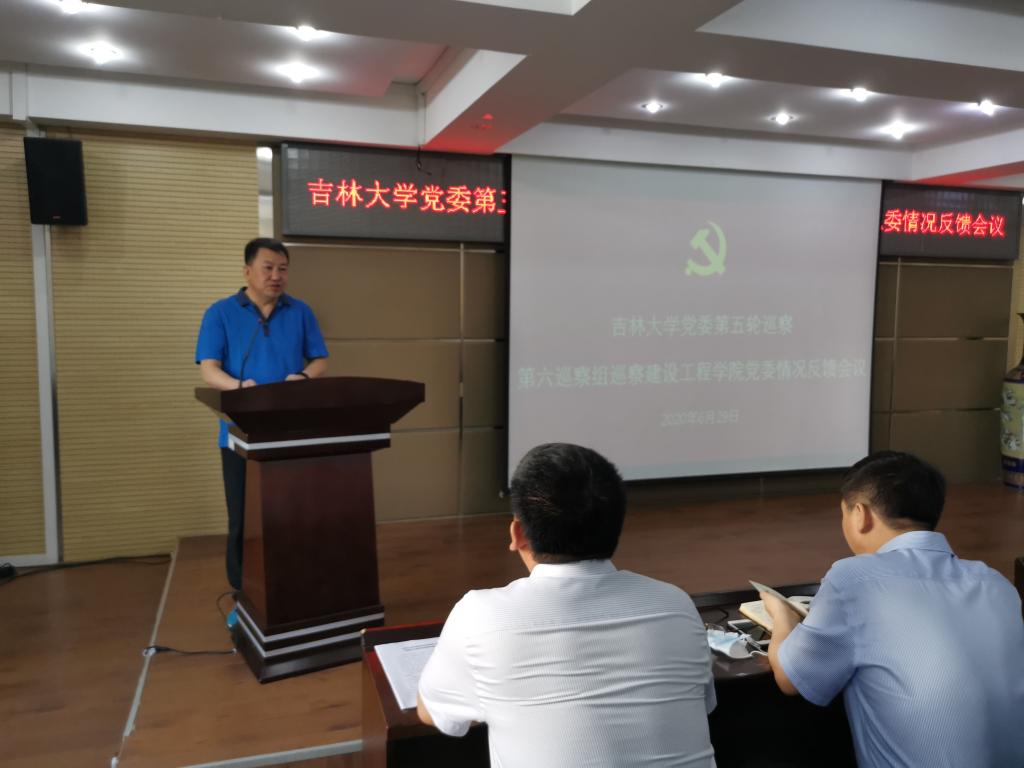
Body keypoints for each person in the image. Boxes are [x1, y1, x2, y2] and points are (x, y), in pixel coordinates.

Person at [417, 442, 717, 767]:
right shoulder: (675, 604)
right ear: (616, 526)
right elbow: (703, 703)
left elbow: (431, 712)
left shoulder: (480, 616)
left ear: (517, 533)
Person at [761, 451, 1024, 768]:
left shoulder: (853, 579)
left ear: (860, 515)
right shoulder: (995, 584)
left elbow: (790, 679)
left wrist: (783, 616)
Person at [195, 238, 328, 626]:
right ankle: (242, 592)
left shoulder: (300, 311)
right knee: (243, 516)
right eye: (268, 267)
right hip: (240, 433)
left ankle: (292, 583)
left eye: (282, 268)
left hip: (289, 431)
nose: (276, 276)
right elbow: (208, 368)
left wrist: (303, 377)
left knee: (289, 513)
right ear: (247, 271)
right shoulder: (220, 312)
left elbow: (320, 360)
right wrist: (240, 388)